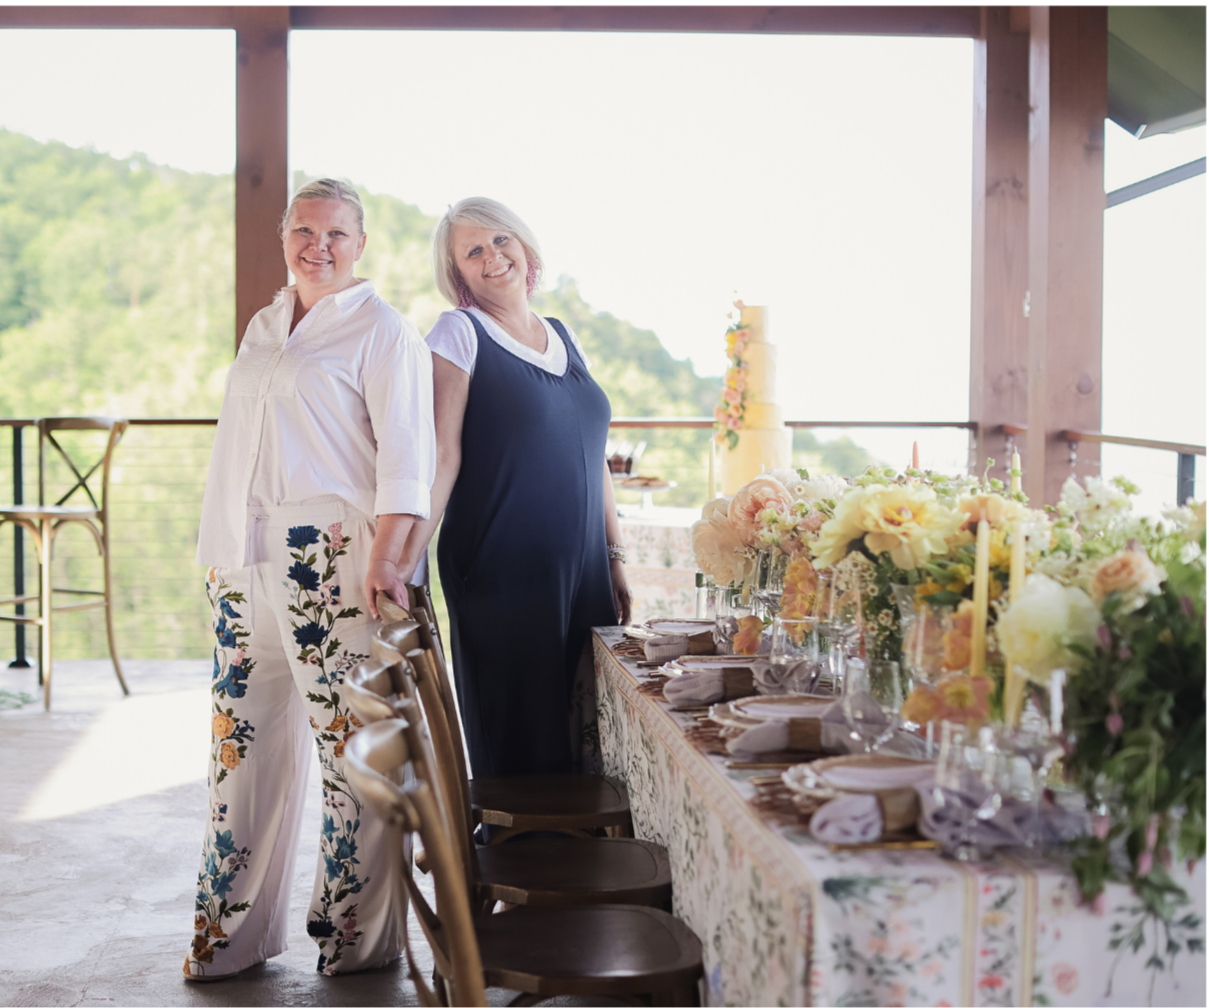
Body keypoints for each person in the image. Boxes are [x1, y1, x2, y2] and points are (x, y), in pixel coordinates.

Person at [186, 179, 435, 980]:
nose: (316, 245)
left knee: (352, 754)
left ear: (360, 243)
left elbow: (407, 463)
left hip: (331, 559)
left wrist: (387, 563)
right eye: (302, 230)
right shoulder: (265, 322)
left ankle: (355, 940)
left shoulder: (382, 329)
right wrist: (220, 559)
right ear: (284, 236)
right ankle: (228, 937)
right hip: (242, 561)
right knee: (239, 751)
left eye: (333, 232)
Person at [399, 197, 631, 780]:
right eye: (473, 251)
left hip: (585, 569)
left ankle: (582, 860)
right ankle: (511, 860)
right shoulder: (458, 333)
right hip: (500, 571)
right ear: (458, 276)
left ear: (525, 247)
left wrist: (615, 556)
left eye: (501, 240)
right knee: (522, 737)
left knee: (589, 728)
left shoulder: (563, 334)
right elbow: (442, 456)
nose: (492, 256)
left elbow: (593, 455)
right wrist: (403, 561)